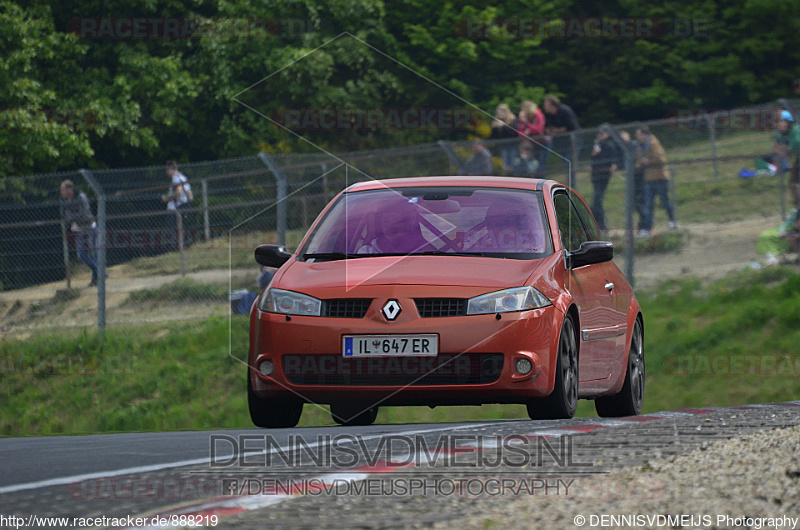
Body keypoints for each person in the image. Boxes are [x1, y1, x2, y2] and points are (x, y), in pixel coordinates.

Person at [635, 125, 676, 237]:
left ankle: (673, 220)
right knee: (648, 205)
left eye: (638, 135)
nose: (637, 137)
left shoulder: (654, 143)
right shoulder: (639, 147)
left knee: (665, 201)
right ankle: (647, 228)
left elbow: (661, 159)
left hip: (660, 177)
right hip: (648, 178)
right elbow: (639, 160)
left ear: (644, 134)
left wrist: (648, 161)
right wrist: (640, 163)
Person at [59, 179, 99, 287]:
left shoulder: (81, 197)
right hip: (78, 229)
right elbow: (63, 215)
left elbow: (83, 214)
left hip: (89, 227)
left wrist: (71, 216)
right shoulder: (64, 200)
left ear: (69, 189)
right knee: (81, 255)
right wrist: (72, 217)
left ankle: (96, 279)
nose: (61, 192)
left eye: (62, 189)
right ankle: (100, 272)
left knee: (92, 253)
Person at [357, 202, 431, 254]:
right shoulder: (367, 252)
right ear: (380, 226)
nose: (391, 227)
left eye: (397, 222)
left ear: (406, 226)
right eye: (386, 222)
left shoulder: (426, 250)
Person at [589, 126, 621, 231]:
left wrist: (614, 165)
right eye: (598, 134)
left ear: (606, 134)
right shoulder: (597, 146)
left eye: (601, 134)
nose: (599, 136)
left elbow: (614, 158)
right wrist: (593, 155)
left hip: (603, 175)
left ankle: (600, 224)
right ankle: (600, 224)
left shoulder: (609, 146)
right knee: (597, 200)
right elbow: (593, 159)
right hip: (596, 175)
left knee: (597, 200)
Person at [543, 94, 581, 182]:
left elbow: (571, 126)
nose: (544, 106)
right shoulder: (548, 115)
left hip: (573, 141)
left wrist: (556, 130)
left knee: (571, 163)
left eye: (546, 104)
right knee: (565, 163)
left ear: (551, 104)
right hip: (561, 142)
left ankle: (573, 184)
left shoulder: (565, 111)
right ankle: (569, 182)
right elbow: (548, 127)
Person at [162, 160, 193, 249]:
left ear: (170, 169)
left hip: (176, 208)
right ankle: (184, 246)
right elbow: (190, 196)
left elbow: (178, 191)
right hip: (185, 206)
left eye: (167, 170)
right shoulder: (183, 178)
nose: (166, 172)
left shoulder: (175, 178)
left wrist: (168, 199)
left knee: (172, 229)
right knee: (181, 228)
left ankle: (176, 248)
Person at [620, 130, 647, 231]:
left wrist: (637, 164)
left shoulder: (634, 145)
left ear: (628, 136)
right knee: (634, 202)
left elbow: (640, 157)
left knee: (640, 202)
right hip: (632, 179)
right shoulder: (624, 148)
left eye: (624, 137)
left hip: (640, 177)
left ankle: (643, 224)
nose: (623, 139)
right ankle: (641, 224)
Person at [516, 100, 547, 174]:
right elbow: (520, 132)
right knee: (531, 164)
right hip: (530, 145)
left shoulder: (538, 115)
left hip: (542, 143)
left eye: (525, 109)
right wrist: (525, 133)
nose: (523, 111)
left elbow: (538, 130)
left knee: (541, 163)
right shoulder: (522, 117)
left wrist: (526, 122)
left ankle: (541, 180)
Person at [489, 103, 518, 173]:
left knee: (513, 165)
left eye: (501, 112)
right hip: (504, 147)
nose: (500, 115)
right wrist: (495, 128)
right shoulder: (496, 121)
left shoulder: (513, 120)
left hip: (513, 146)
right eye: (498, 113)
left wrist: (503, 126)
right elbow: (494, 137)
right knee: (505, 167)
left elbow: (513, 134)